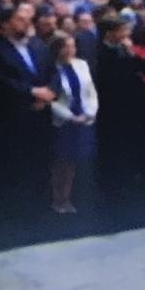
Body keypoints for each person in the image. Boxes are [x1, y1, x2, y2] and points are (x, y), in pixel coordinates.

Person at [0, 4, 56, 222]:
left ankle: (39, 208)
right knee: (12, 165)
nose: (26, 22)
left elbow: (51, 73)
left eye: (26, 18)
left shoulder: (38, 46)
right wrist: (31, 92)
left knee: (38, 162)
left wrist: (48, 93)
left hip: (40, 115)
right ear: (4, 25)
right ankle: (11, 212)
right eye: (19, 19)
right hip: (10, 117)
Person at [47, 32, 97, 214]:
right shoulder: (52, 68)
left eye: (72, 46)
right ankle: (57, 199)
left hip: (83, 117)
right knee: (61, 161)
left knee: (74, 162)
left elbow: (90, 91)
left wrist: (90, 112)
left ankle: (68, 198)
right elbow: (51, 99)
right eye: (66, 46)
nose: (70, 50)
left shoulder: (81, 65)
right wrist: (69, 116)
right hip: (63, 120)